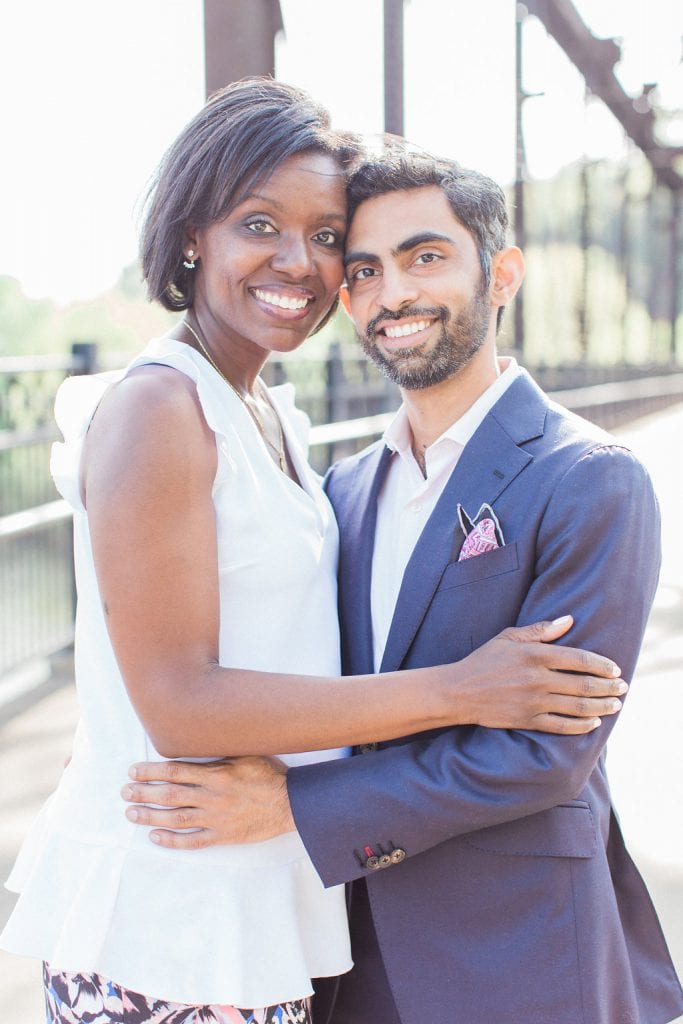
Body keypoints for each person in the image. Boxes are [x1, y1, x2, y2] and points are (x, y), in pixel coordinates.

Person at [1, 82, 625, 1024]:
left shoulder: (273, 419)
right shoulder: (160, 408)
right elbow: (177, 706)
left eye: (328, 236)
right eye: (260, 224)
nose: (301, 262)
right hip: (174, 926)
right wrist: (462, 688)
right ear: (190, 236)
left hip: (256, 907)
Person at [122, 147, 683, 1024]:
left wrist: (295, 808)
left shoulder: (591, 478)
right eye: (364, 271)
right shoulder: (340, 492)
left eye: (425, 257)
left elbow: (546, 754)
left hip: (515, 954)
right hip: (348, 961)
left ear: (500, 275)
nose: (393, 295)